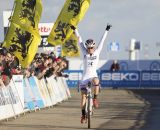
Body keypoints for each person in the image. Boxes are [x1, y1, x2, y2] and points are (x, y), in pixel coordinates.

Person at [71, 24, 112, 123]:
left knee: (97, 80)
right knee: (83, 97)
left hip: (93, 76)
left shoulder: (97, 52)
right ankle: (83, 115)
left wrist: (106, 30)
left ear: (94, 47)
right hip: (85, 78)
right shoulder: (84, 51)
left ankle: (95, 99)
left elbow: (102, 41)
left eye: (91, 48)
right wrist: (75, 29)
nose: (89, 50)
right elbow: (79, 39)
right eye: (88, 48)